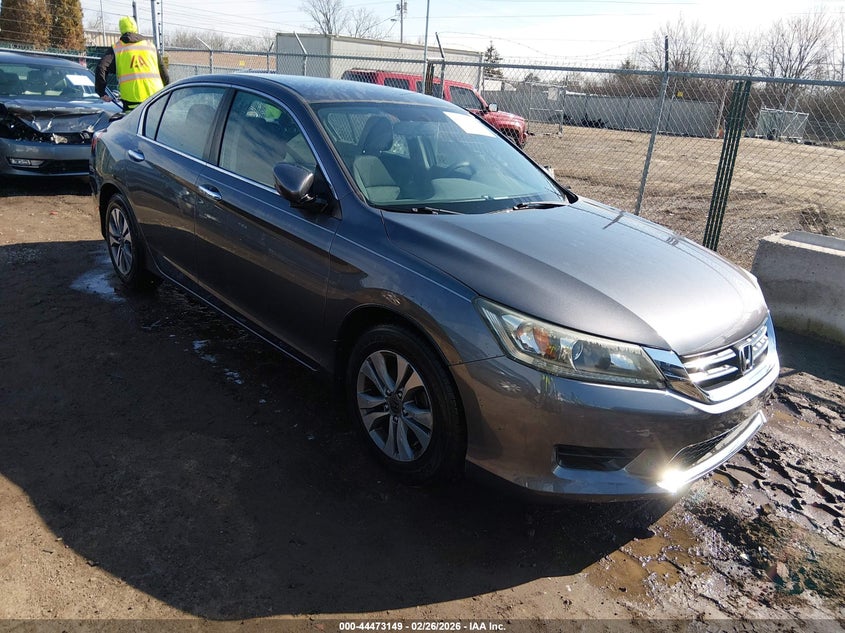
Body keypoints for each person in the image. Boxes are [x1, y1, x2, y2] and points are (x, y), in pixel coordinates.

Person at [95, 16, 169, 112]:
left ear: (121, 30)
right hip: (157, 100)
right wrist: (167, 92)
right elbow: (163, 72)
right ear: (135, 28)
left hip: (133, 104)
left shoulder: (117, 48)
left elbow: (101, 67)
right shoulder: (150, 46)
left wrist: (101, 92)